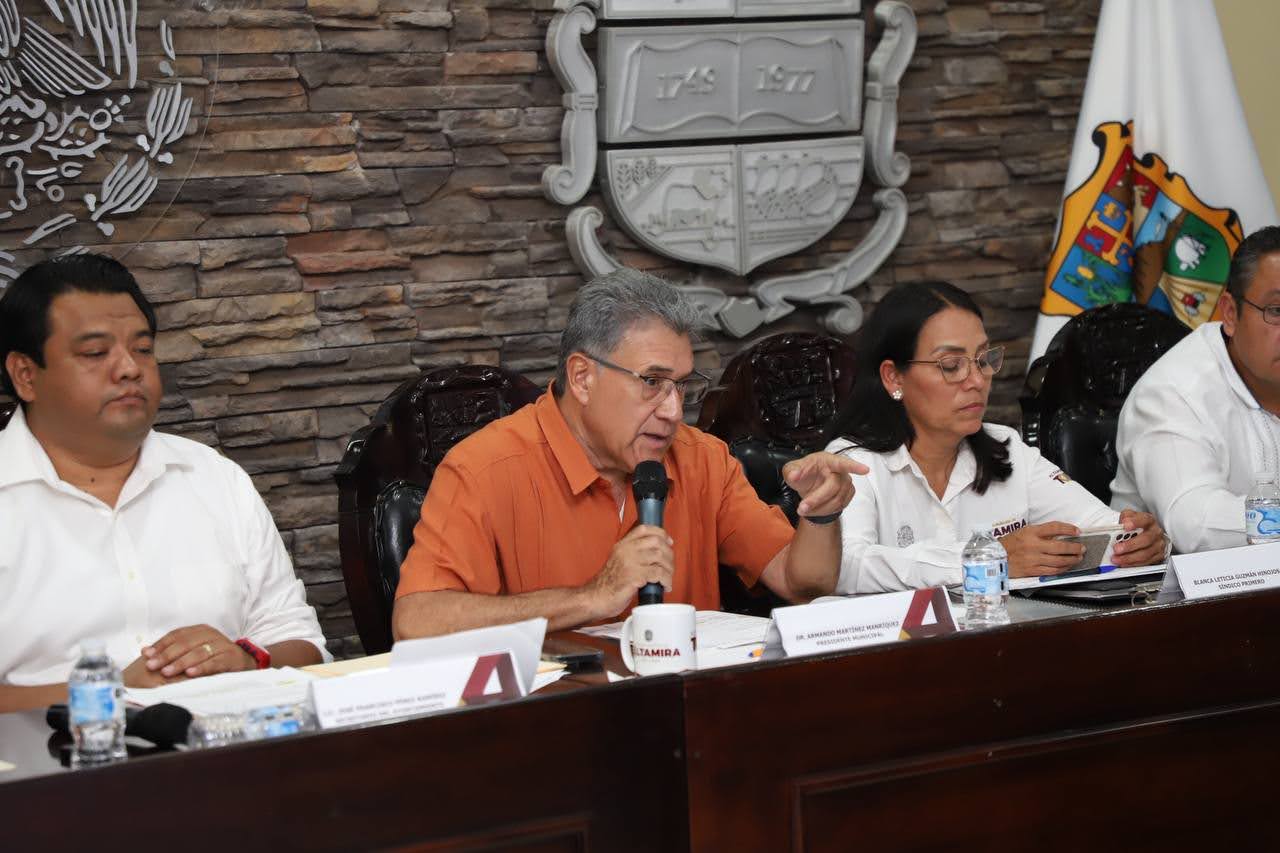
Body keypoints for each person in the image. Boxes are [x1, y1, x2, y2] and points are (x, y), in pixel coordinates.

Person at [392, 268, 866, 638]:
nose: (673, 411)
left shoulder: (703, 459)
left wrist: (821, 514)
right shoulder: (484, 469)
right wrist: (592, 597)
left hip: (687, 713)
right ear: (583, 378)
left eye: (682, 386)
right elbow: (417, 622)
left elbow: (803, 583)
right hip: (556, 720)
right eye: (652, 382)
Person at [0, 254, 328, 713]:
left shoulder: (213, 477)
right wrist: (113, 691)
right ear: (25, 375)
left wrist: (246, 660)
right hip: (47, 756)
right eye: (95, 353)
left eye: (142, 349)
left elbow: (305, 645)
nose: (129, 369)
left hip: (229, 747)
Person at [824, 281, 1167, 594]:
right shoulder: (853, 462)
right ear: (893, 377)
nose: (977, 380)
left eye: (984, 359)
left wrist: (1137, 541)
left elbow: (1097, 527)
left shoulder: (1007, 448)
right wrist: (988, 557)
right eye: (951, 365)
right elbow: (846, 566)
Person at [1112, 225, 1280, 553]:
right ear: (1230, 313)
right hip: (1181, 584)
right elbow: (1194, 525)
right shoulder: (1171, 394)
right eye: (1277, 311)